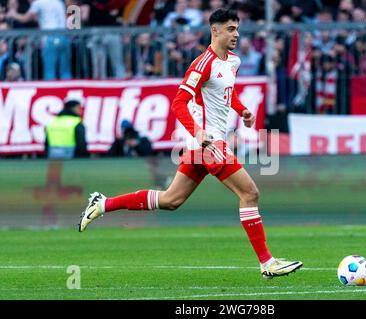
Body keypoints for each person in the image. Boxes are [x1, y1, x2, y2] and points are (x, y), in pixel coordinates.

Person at [78, 8, 302, 279]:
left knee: (171, 200)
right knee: (250, 193)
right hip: (207, 144)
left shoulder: (233, 61)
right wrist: (198, 132)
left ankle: (103, 204)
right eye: (230, 29)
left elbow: (225, 94)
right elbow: (178, 102)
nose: (236, 34)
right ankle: (267, 262)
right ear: (215, 30)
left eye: (237, 29)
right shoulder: (202, 64)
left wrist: (242, 109)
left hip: (205, 145)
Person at [7, 0, 72, 80]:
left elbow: (25, 18)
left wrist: (14, 14)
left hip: (49, 38)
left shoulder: (39, 3)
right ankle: (67, 90)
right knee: (65, 72)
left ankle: (51, 91)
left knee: (50, 72)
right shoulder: (58, 2)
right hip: (64, 37)